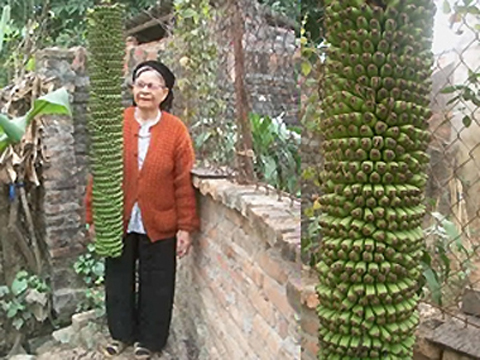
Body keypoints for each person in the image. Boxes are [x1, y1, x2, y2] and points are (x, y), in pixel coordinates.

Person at [84, 60, 200, 360]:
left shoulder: (176, 132)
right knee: (118, 277)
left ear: (165, 93)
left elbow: (183, 182)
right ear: (132, 89)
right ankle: (121, 334)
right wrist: (93, 215)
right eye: (140, 84)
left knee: (158, 280)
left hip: (160, 218)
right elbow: (101, 171)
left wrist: (185, 227)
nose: (144, 90)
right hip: (118, 217)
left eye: (151, 86)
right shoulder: (117, 122)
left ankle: (149, 341)